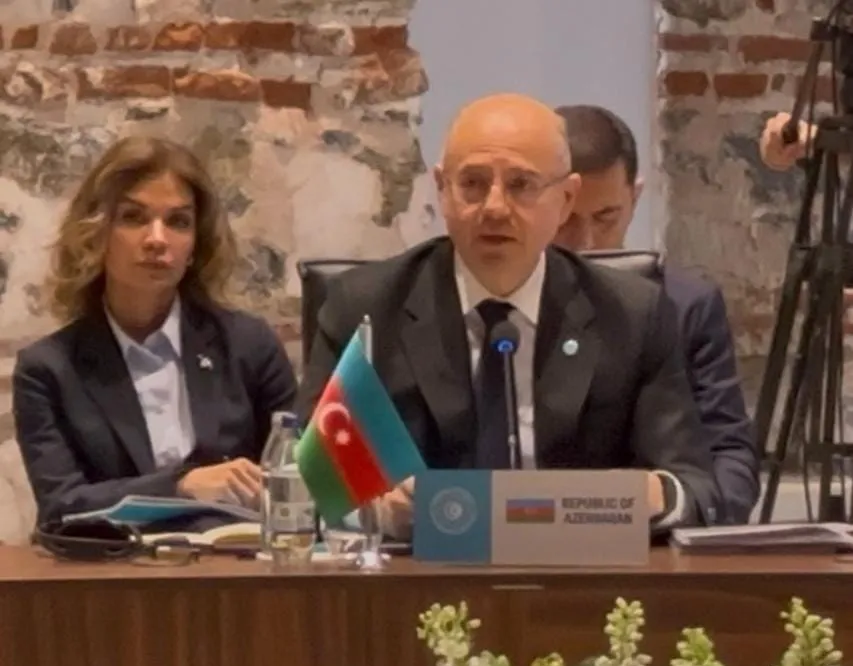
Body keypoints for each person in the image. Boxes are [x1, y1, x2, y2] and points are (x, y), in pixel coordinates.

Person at [296, 93, 722, 540]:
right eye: (473, 183)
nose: (495, 207)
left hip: (579, 569)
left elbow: (693, 489)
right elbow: (313, 484)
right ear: (442, 190)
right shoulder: (366, 308)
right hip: (418, 568)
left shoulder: (632, 314)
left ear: (565, 198)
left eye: (521, 185)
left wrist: (652, 496)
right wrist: (377, 511)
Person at [13, 136, 298, 526]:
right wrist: (180, 486)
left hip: (235, 556)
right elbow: (61, 507)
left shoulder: (249, 345)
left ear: (195, 245)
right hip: (118, 562)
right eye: (134, 217)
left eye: (178, 222)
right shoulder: (48, 369)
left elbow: (299, 476)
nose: (157, 240)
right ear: (96, 233)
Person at [553, 104, 759, 524]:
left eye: (606, 216)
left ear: (635, 197)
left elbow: (729, 453)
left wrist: (686, 507)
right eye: (565, 219)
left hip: (655, 535)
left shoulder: (685, 304)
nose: (586, 241)